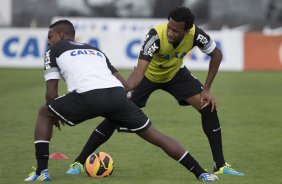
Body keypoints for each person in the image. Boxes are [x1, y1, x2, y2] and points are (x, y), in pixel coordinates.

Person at [24, 19, 218, 182]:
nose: (48, 42)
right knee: (156, 136)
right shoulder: (95, 50)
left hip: (87, 96)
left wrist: (54, 113)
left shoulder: (53, 51)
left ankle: (42, 171)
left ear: (61, 35)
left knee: (44, 112)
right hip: (117, 95)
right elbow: (123, 83)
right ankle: (201, 173)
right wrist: (125, 98)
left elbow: (51, 93)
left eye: (50, 37)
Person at [66, 7, 244, 177]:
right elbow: (139, 71)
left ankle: (220, 166)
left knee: (208, 106)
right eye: (169, 27)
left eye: (175, 30)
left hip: (175, 74)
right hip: (148, 76)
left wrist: (206, 89)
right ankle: (79, 162)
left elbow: (217, 54)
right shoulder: (155, 36)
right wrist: (125, 89)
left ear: (187, 30)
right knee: (115, 113)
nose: (170, 32)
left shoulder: (196, 34)